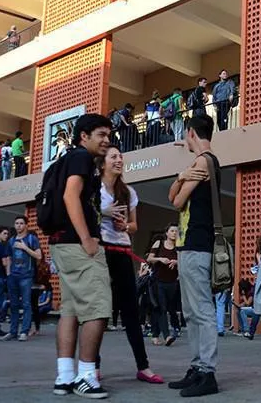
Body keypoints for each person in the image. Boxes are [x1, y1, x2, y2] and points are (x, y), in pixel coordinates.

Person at [49, 113, 113, 398]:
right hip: (78, 245)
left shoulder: (65, 159)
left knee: (71, 310)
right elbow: (70, 196)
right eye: (101, 134)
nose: (107, 140)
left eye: (108, 135)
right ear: (83, 136)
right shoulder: (80, 158)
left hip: (62, 244)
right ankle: (86, 375)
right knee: (98, 307)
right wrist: (87, 239)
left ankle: (64, 376)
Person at [97, 145, 163, 383]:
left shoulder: (128, 192)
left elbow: (134, 225)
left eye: (120, 157)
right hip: (101, 252)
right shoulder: (94, 189)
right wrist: (104, 212)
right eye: (113, 157)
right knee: (100, 310)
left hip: (123, 251)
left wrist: (125, 226)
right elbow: (84, 216)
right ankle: (93, 365)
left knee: (131, 311)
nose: (119, 160)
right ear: (102, 163)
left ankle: (143, 367)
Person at [167, 114, 221, 397]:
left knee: (201, 310)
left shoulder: (203, 161)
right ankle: (198, 366)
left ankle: (207, 372)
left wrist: (182, 178)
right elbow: (172, 194)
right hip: (190, 245)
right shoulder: (199, 162)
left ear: (190, 133)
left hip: (199, 244)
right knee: (191, 311)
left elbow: (176, 201)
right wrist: (180, 177)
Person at [3, 216, 41, 342]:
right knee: (13, 305)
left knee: (26, 304)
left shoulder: (32, 239)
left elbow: (39, 256)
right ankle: (13, 331)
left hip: (26, 275)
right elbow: (8, 257)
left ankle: (24, 331)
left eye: (21, 223)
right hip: (13, 276)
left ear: (26, 225)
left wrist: (25, 248)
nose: (19, 225)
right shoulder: (11, 240)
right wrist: (8, 273)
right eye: (17, 223)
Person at [147, 224, 180, 347]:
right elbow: (149, 258)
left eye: (176, 231)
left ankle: (155, 334)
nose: (174, 233)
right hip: (158, 281)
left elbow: (185, 261)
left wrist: (176, 262)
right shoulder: (159, 243)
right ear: (166, 233)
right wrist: (160, 259)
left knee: (161, 309)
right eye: (171, 231)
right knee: (162, 308)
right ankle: (167, 336)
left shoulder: (179, 247)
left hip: (172, 282)